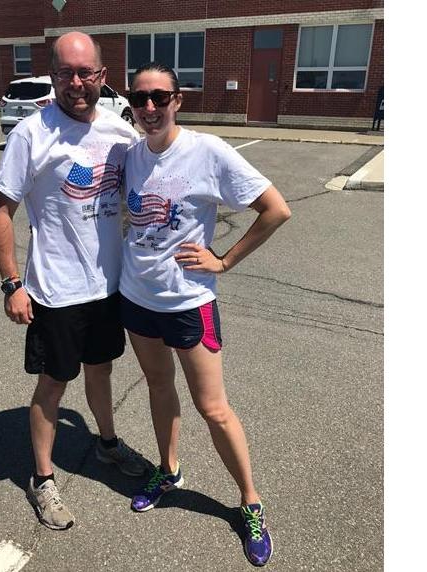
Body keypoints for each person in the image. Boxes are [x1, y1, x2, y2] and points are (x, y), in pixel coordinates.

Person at [120, 62, 291, 567]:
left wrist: (224, 260)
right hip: (137, 298)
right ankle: (168, 470)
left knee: (213, 408)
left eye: (160, 97)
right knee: (157, 386)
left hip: (189, 301)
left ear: (178, 100)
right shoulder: (131, 155)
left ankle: (250, 502)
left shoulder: (207, 151)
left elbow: (276, 209)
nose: (150, 107)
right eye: (140, 97)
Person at [0, 32, 146, 531]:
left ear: (103, 74)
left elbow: (155, 183)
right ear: (52, 75)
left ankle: (106, 444)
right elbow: (1, 211)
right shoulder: (31, 134)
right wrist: (12, 283)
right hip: (54, 291)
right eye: (65, 73)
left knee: (102, 372)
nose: (76, 83)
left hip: (108, 287)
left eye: (86, 73)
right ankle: (42, 478)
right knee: (53, 384)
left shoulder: (122, 133)